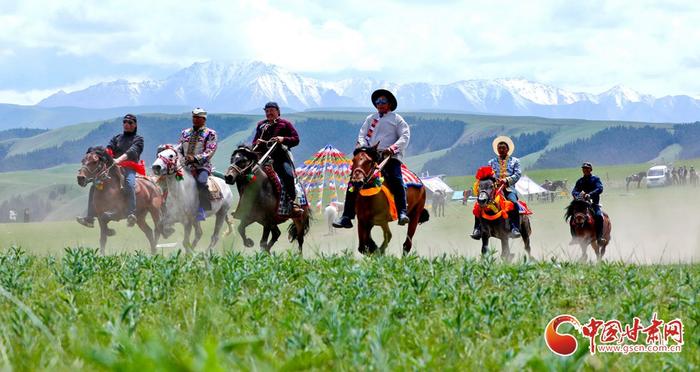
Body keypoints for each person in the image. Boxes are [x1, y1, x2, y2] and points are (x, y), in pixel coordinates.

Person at [333, 89, 411, 228]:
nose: (380, 104)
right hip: (371, 155)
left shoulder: (397, 119)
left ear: (390, 104)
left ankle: (402, 213)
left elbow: (404, 136)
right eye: (377, 102)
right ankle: (346, 216)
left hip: (389, 156)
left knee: (396, 179)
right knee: (353, 181)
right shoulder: (370, 118)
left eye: (383, 101)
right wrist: (363, 146)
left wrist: (392, 148)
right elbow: (362, 134)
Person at [77, 114, 144, 228]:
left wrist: (119, 159)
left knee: (129, 183)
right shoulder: (117, 138)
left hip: (129, 167)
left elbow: (132, 152)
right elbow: (109, 148)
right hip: (113, 166)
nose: (126, 125)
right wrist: (106, 155)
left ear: (135, 125)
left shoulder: (138, 139)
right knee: (95, 185)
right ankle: (90, 217)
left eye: (130, 123)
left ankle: (131, 213)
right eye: (125, 122)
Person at [252, 102, 302, 215]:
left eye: (271, 110)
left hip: (280, 157)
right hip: (262, 158)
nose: (269, 113)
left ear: (278, 111)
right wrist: (258, 142)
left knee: (288, 175)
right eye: (267, 111)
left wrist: (283, 139)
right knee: (247, 175)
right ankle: (245, 204)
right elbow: (254, 142)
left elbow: (296, 139)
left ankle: (292, 203)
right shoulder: (261, 125)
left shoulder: (285, 124)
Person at [471, 136, 522, 239]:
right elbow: (489, 175)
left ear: (508, 149)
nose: (501, 150)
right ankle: (478, 229)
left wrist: (506, 180)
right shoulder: (491, 162)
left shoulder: (515, 161)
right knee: (479, 204)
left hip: (509, 189)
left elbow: (517, 174)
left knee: (514, 203)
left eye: (503, 148)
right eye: (499, 148)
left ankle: (514, 228)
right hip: (493, 190)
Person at [177, 108, 217, 221]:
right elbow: (179, 148)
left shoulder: (210, 134)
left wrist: (195, 158)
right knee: (170, 180)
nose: (195, 119)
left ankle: (202, 209)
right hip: (184, 165)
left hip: (202, 166)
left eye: (197, 117)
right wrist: (175, 154)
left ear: (204, 119)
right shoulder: (185, 133)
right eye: (193, 117)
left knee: (201, 182)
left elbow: (210, 150)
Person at [571, 162, 606, 246]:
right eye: (584, 168)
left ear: (591, 169)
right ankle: (574, 237)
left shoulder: (595, 179)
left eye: (587, 168)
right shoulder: (580, 181)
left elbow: (599, 188)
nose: (585, 170)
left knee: (599, 216)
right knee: (572, 217)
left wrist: (590, 194)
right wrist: (577, 195)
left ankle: (599, 238)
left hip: (593, 204)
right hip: (581, 204)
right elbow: (574, 191)